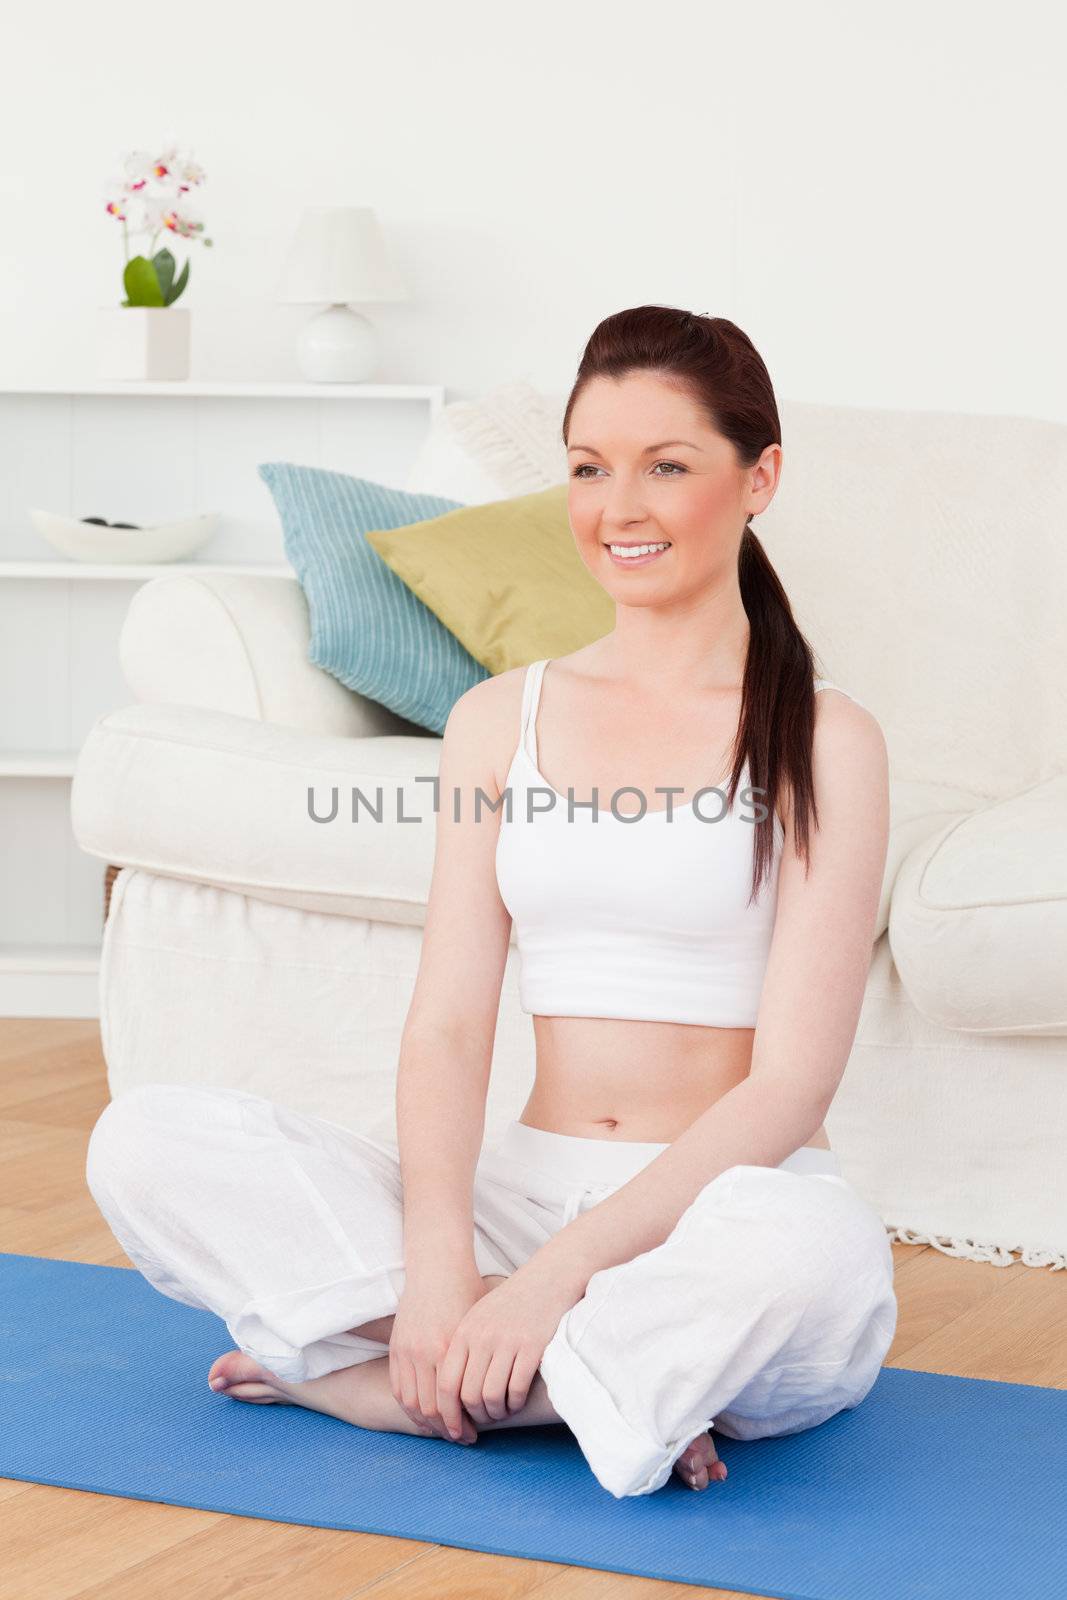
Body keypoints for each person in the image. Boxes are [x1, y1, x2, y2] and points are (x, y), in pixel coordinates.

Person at [85, 304, 896, 1500]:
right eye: (587, 468)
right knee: (141, 1138)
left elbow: (790, 1086)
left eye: (665, 466)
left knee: (811, 1249)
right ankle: (587, 1391)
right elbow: (451, 1021)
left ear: (756, 476)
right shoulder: (493, 723)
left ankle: (379, 1389)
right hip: (523, 1196)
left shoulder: (825, 737)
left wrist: (545, 1281)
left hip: (720, 1219)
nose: (617, 508)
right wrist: (442, 1273)